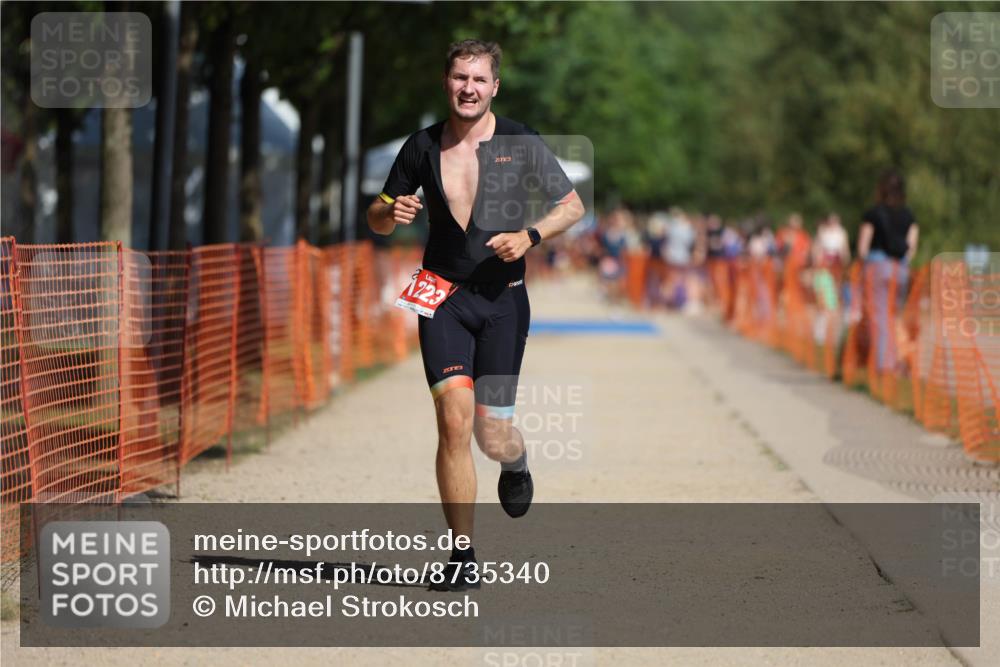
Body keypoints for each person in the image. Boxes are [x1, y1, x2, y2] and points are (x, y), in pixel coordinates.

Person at [366, 40, 586, 591]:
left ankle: (516, 462)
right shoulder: (420, 147)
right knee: (453, 421)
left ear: (495, 87)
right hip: (439, 295)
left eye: (479, 79)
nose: (469, 87)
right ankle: (461, 555)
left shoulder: (518, 139)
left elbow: (572, 206)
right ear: (447, 82)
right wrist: (394, 210)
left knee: (492, 434)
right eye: (460, 77)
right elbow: (377, 216)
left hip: (502, 299)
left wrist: (531, 236)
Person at [857, 169, 918, 372]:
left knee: (879, 317)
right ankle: (900, 358)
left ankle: (884, 365)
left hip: (877, 267)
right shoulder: (908, 215)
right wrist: (900, 264)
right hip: (899, 269)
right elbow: (911, 247)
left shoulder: (873, 214)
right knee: (894, 317)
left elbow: (863, 247)